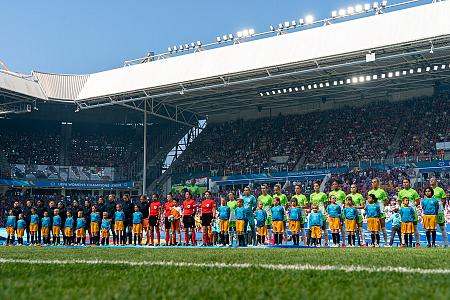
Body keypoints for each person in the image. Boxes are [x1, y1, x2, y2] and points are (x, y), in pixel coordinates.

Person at [397, 178, 420, 247]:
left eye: (406, 182)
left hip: (412, 213)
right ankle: (403, 243)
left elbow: (418, 201)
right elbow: (399, 202)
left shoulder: (413, 192)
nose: (405, 183)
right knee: (403, 229)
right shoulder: (400, 192)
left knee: (415, 229)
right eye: (404, 182)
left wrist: (412, 207)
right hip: (404, 214)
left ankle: (417, 243)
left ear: (409, 183)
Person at [368, 178, 388, 246]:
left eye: (375, 182)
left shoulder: (382, 191)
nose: (373, 183)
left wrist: (382, 208)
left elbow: (385, 201)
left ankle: (386, 243)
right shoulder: (370, 192)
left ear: (378, 183)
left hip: (381, 213)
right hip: (373, 214)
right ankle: (374, 243)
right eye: (372, 182)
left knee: (383, 228)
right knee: (373, 229)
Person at [430, 177, 448, 247]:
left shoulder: (440, 190)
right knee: (431, 228)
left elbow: (443, 200)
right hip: (431, 212)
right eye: (430, 180)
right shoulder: (428, 190)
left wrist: (441, 208)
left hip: (439, 211)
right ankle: (432, 244)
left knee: (442, 227)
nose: (431, 181)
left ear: (436, 181)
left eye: (433, 180)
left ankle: (446, 244)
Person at [310, 181, 329, 246]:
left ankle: (326, 242)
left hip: (322, 213)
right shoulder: (311, 195)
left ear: (319, 187)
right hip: (314, 213)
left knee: (323, 228)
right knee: (314, 228)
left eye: (317, 186)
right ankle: (315, 243)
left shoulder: (323, 194)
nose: (315, 187)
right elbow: (311, 204)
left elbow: (325, 204)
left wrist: (323, 212)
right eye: (314, 186)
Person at [328, 180, 347, 246]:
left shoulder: (342, 193)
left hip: (339, 214)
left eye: (335, 184)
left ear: (338, 185)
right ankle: (334, 242)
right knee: (334, 230)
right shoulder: (330, 193)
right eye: (333, 184)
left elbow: (345, 203)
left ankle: (343, 243)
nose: (334, 185)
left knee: (341, 229)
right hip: (332, 215)